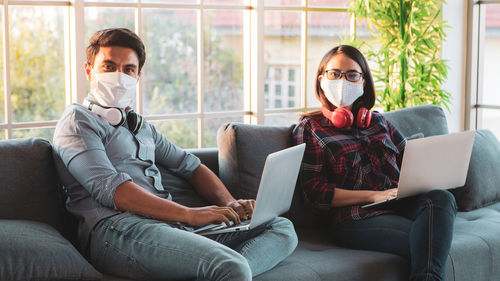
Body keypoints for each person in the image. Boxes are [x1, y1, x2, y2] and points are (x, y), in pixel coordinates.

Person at [53, 28, 297, 281]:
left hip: (170, 227)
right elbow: (113, 190)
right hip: (116, 230)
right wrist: (189, 214)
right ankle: (230, 271)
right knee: (231, 267)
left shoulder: (141, 126)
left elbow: (191, 166)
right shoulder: (77, 122)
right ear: (89, 70)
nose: (119, 75)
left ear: (138, 76)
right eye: (109, 66)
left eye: (128, 69)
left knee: (280, 227)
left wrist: (229, 202)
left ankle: (227, 272)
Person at [292, 45, 457, 281]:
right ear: (321, 79)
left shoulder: (378, 121)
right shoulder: (308, 129)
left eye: (352, 75)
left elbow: (411, 157)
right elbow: (314, 194)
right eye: (334, 73)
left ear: (363, 83)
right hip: (355, 217)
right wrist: (371, 196)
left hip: (399, 202)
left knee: (443, 198)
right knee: (429, 241)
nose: (342, 80)